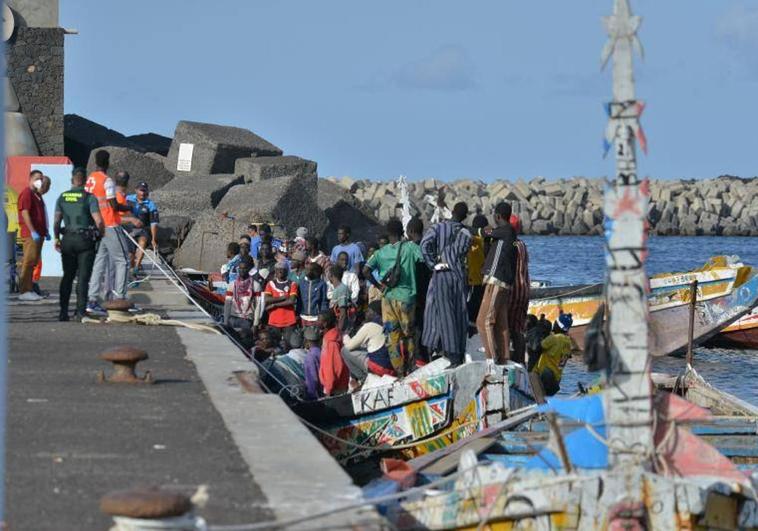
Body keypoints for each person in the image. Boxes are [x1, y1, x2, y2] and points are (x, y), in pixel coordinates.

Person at [363, 218, 424, 376]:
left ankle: (399, 371)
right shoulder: (410, 247)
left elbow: (366, 271)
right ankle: (411, 368)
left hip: (387, 299)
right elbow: (424, 259)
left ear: (388, 233)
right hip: (406, 298)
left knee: (393, 337)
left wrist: (378, 286)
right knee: (409, 335)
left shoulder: (380, 253)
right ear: (401, 232)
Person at [85, 150, 138, 314]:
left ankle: (92, 299)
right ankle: (120, 298)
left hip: (96, 225)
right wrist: (128, 207)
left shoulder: (91, 178)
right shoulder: (107, 181)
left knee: (99, 263)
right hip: (110, 224)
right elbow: (114, 205)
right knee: (123, 261)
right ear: (107, 163)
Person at [420, 202, 473, 367]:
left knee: (443, 314)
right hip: (458, 277)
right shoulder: (466, 233)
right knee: (459, 314)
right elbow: (462, 254)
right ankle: (459, 351)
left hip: (441, 274)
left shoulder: (438, 227)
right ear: (464, 216)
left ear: (452, 212)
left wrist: (432, 263)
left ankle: (451, 356)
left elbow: (424, 245)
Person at [53, 168, 104, 321]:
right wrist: (100, 235)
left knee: (67, 276)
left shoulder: (62, 197)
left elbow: (56, 222)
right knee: (83, 277)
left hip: (67, 239)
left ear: (72, 179)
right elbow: (99, 221)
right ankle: (80, 312)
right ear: (85, 180)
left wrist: (57, 239)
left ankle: (63, 312)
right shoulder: (89, 198)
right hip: (85, 241)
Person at [476, 202, 517, 363]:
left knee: (483, 321)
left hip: (496, 281)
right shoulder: (510, 234)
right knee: (501, 324)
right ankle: (505, 359)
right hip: (503, 283)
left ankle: (492, 360)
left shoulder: (504, 231)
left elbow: (483, 233)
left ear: (498, 216)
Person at [341, 301, 394, 381]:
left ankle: (363, 379)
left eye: (368, 311)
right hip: (391, 365)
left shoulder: (369, 326)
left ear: (375, 313)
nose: (366, 313)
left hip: (379, 368)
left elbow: (349, 346)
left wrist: (345, 336)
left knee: (344, 350)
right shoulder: (387, 323)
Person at [16, 170, 49, 301]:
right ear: (30, 179)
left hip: (38, 234)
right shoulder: (27, 194)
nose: (40, 181)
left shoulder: (37, 195)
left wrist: (44, 231)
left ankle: (29, 288)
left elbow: (40, 214)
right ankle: (24, 290)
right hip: (30, 234)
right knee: (28, 262)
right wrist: (32, 231)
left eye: (41, 178)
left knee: (33, 262)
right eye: (37, 178)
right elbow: (25, 213)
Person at [406, 217, 432, 365]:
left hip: (415, 296)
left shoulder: (411, 249)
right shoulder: (427, 246)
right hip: (427, 293)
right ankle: (425, 357)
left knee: (416, 329)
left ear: (410, 231)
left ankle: (419, 359)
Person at [507, 215, 530, 364]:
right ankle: (521, 361)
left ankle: (508, 360)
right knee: (519, 328)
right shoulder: (522, 245)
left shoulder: (509, 244)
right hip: (524, 289)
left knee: (506, 327)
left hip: (513, 290)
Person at [533, 313, 575, 396]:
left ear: (557, 325)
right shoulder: (568, 342)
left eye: (555, 322)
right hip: (556, 381)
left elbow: (537, 347)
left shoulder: (554, 338)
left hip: (546, 377)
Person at [126, 181, 159, 275]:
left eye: (144, 190)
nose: (143, 193)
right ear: (136, 190)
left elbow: (154, 223)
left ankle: (137, 267)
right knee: (130, 255)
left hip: (142, 230)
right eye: (141, 190)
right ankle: (132, 266)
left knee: (143, 242)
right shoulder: (128, 199)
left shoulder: (151, 204)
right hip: (129, 229)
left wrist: (153, 239)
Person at [467, 213, 489, 335]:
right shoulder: (486, 242)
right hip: (482, 280)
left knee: (472, 308)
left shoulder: (474, 241)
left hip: (473, 281)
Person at [318, 310, 349, 396]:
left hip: (335, 388)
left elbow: (332, 367)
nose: (316, 322)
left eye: (319, 320)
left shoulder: (331, 343)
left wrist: (328, 388)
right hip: (335, 385)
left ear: (325, 324)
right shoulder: (331, 337)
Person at [30, 175, 52, 296]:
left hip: (40, 232)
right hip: (36, 234)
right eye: (47, 187)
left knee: (37, 262)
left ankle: (33, 284)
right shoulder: (33, 197)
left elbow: (43, 216)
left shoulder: (39, 198)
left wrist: (46, 230)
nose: (47, 190)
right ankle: (32, 285)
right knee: (35, 262)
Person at [226, 259, 256, 346]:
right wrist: (226, 320)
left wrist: (256, 323)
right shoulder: (232, 284)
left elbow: (258, 306)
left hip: (246, 319)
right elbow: (227, 304)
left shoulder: (255, 285)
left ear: (248, 269)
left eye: (244, 268)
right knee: (231, 343)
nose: (242, 270)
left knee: (244, 343)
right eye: (240, 268)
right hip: (233, 318)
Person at [264, 262, 298, 334]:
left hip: (289, 319)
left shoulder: (292, 284)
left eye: (282, 269)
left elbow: (291, 301)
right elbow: (267, 299)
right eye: (278, 269)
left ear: (286, 271)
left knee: (288, 343)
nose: (280, 271)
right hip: (274, 319)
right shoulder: (270, 284)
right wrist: (283, 298)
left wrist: (275, 305)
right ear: (275, 271)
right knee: (274, 342)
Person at [298, 261, 328, 326]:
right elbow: (299, 300)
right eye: (306, 269)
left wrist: (322, 313)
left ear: (315, 272)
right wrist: (297, 313)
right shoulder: (302, 283)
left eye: (309, 270)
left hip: (316, 317)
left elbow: (324, 301)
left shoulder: (321, 284)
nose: (306, 271)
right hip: (303, 316)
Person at [328, 264, 351, 333]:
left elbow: (343, 313)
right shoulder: (338, 289)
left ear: (331, 276)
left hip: (342, 328)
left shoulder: (342, 289)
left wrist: (339, 331)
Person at [302, 326, 323, 399]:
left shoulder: (309, 357)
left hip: (320, 394)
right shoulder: (323, 351)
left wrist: (310, 397)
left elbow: (312, 381)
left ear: (306, 341)